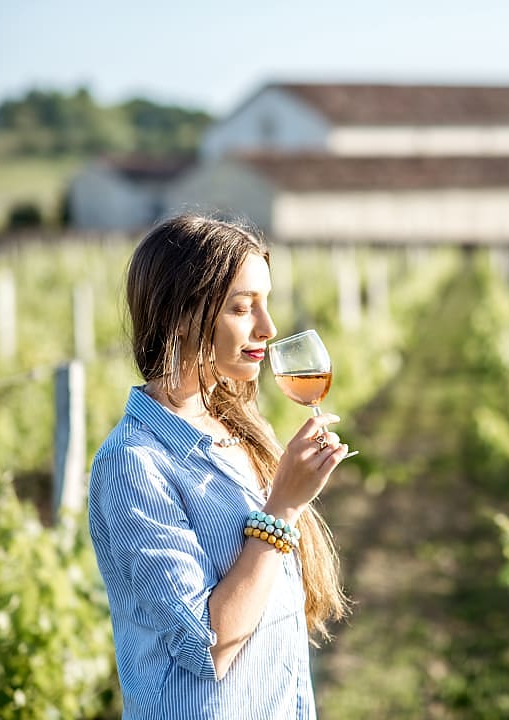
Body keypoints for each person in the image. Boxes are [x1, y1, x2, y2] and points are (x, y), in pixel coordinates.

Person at [88, 214, 352, 719]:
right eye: (241, 307)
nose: (268, 329)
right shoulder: (133, 465)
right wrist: (283, 508)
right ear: (181, 315)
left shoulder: (237, 426)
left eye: (265, 304)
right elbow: (209, 646)